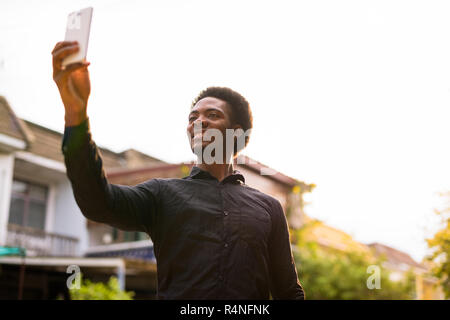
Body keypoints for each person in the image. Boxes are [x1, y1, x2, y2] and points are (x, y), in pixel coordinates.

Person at [51, 41, 305, 300]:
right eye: (192, 117)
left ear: (236, 132)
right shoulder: (162, 194)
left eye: (212, 115)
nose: (199, 122)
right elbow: (97, 203)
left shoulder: (269, 208)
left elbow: (288, 291)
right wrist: (75, 112)